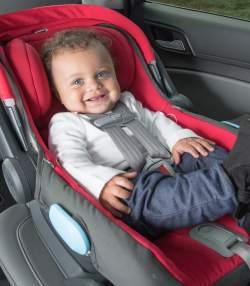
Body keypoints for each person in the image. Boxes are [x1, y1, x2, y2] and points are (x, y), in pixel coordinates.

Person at [42, 28, 250, 237]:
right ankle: (236, 179)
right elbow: (69, 162)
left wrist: (179, 139)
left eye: (102, 74)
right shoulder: (66, 123)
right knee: (156, 198)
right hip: (129, 186)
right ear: (58, 94)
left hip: (167, 160)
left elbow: (156, 122)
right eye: (78, 82)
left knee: (201, 151)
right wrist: (102, 183)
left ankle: (241, 189)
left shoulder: (127, 101)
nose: (94, 86)